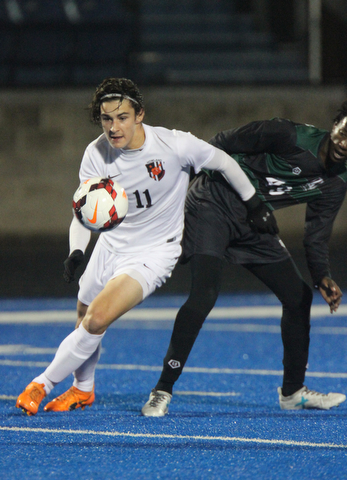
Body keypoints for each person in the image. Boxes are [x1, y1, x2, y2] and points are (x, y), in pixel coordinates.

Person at [15, 77, 276, 416]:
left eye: (122, 117)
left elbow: (223, 162)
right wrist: (77, 251)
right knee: (84, 319)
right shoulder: (96, 154)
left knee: (96, 320)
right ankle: (83, 390)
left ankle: (41, 384)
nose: (113, 127)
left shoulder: (173, 145)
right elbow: (85, 212)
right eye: (106, 119)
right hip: (110, 246)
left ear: (139, 114)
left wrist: (255, 205)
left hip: (153, 253)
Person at [141, 103, 347, 416]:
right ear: (334, 126)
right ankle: (162, 389)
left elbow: (316, 235)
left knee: (298, 296)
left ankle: (293, 392)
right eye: (344, 133)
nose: (345, 144)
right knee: (204, 295)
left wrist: (322, 276)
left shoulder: (336, 183)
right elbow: (220, 142)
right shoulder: (286, 134)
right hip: (213, 203)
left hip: (255, 221)